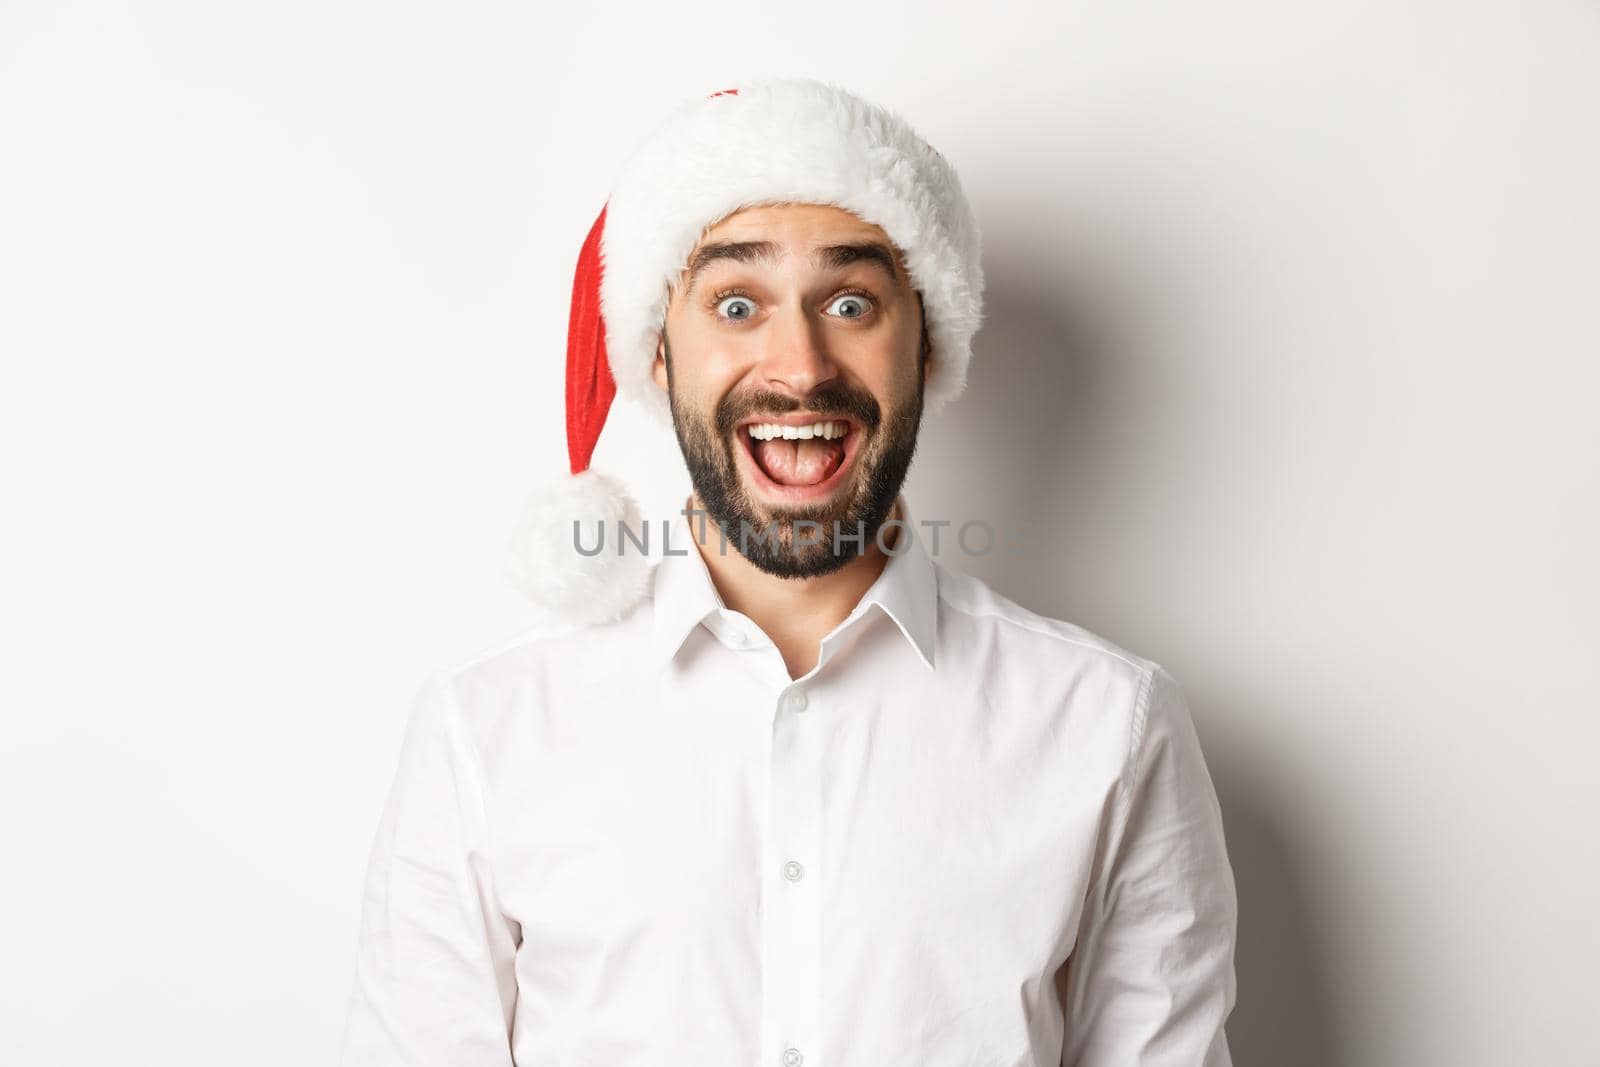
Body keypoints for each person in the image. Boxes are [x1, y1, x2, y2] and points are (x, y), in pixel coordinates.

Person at [338, 76, 1238, 1066]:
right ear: (659, 354)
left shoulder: (1109, 727)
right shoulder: (486, 732)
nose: (799, 364)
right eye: (735, 302)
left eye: (850, 301)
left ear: (926, 344)